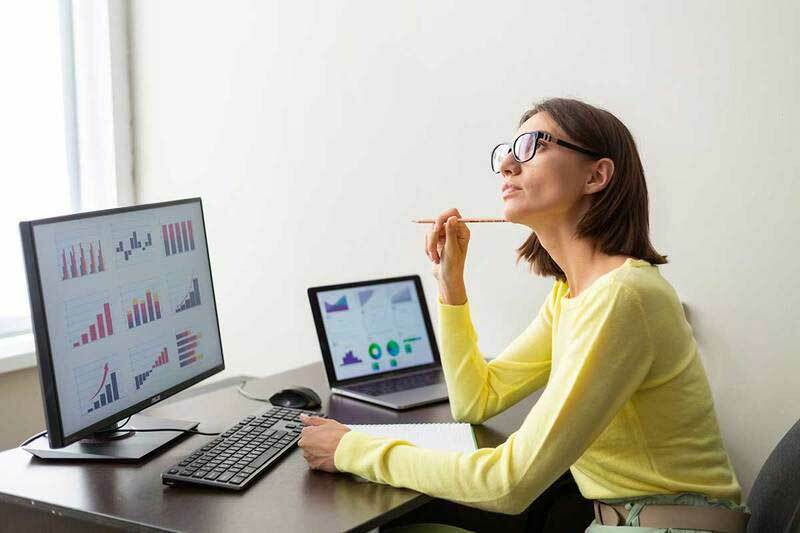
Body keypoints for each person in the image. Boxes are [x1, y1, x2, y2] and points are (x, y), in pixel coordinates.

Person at [298, 97, 751, 532]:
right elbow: (476, 400)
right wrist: (450, 285)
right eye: (505, 152)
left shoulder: (623, 297)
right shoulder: (571, 296)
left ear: (596, 175)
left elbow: (508, 485)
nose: (507, 165)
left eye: (532, 146)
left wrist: (351, 449)